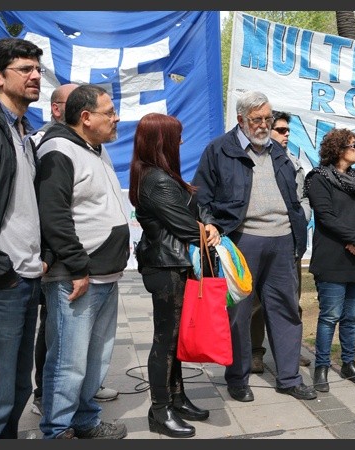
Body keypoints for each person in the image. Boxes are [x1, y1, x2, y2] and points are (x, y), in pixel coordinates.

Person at [192, 90, 316, 402]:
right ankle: (238, 378)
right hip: (241, 240)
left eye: (268, 119)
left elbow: (295, 195)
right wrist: (209, 223)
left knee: (286, 309)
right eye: (257, 120)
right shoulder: (220, 150)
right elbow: (202, 195)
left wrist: (298, 223)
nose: (264, 125)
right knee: (239, 314)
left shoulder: (277, 151)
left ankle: (289, 378)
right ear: (240, 120)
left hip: (283, 241)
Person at [35, 84, 130, 439]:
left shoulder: (94, 147)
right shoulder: (59, 150)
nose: (116, 117)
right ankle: (57, 431)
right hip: (77, 277)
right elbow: (54, 216)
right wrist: (77, 266)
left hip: (104, 274)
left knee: (96, 358)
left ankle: (85, 419)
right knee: (68, 361)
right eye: (109, 111)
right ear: (86, 118)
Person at [129, 113, 219, 438]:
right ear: (162, 141)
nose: (182, 141)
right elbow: (185, 226)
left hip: (174, 264)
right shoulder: (157, 180)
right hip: (165, 268)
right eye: (176, 136)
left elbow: (196, 209)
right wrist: (207, 231)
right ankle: (160, 410)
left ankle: (177, 398)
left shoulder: (162, 176)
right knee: (164, 340)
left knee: (174, 338)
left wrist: (207, 223)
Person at [0, 37, 45, 439]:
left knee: (19, 390)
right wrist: (0, 271)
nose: (36, 76)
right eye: (26, 69)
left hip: (27, 277)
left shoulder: (22, 130)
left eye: (37, 68)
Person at [304, 128, 355, 392]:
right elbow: (325, 216)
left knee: (352, 316)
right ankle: (321, 366)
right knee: (329, 316)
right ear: (338, 150)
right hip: (332, 258)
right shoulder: (319, 178)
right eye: (353, 145)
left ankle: (348, 364)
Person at [251, 110, 312, 373]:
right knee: (254, 303)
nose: (286, 135)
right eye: (281, 130)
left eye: (288, 131)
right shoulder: (252, 159)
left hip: (290, 243)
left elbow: (303, 199)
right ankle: (254, 352)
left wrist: (300, 217)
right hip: (259, 243)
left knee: (290, 301)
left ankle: (288, 352)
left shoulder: (294, 162)